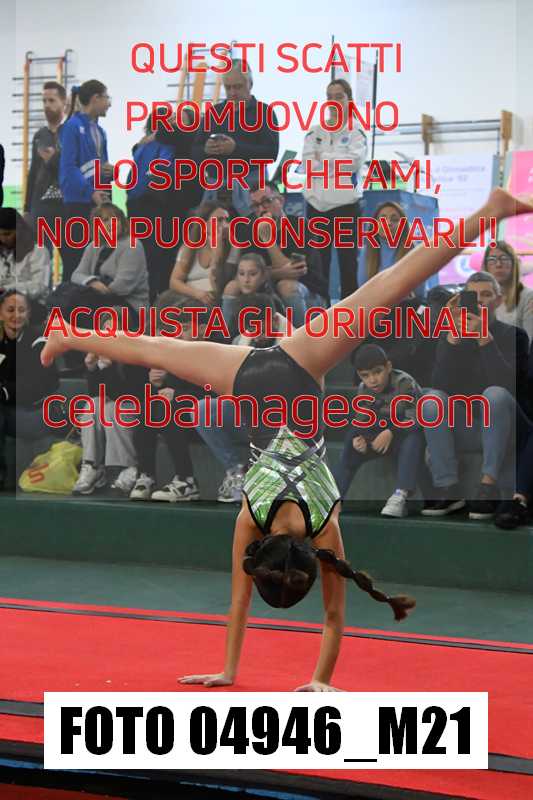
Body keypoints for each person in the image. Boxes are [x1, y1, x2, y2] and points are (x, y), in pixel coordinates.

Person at [41, 188, 533, 690]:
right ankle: (68, 334)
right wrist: (228, 671)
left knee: (390, 285)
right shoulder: (251, 519)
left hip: (301, 368)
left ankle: (487, 211)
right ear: (263, 557)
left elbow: (333, 617)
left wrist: (319, 680)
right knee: (155, 350)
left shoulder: (324, 528)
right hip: (249, 377)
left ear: (310, 562)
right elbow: (238, 603)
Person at [421, 271, 530, 520]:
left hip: (506, 427)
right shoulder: (452, 338)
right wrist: (453, 338)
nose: (479, 300)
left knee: (494, 394)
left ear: (499, 300)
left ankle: (487, 487)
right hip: (469, 427)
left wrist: (484, 338)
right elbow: (440, 384)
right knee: (431, 398)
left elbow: (509, 388)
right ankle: (448, 488)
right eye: (473, 295)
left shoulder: (515, 335)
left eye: (486, 294)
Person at [333, 345, 425, 518]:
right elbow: (362, 421)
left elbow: (415, 418)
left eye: (377, 372)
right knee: (352, 438)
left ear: (388, 367)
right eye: (365, 375)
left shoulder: (404, 382)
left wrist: (391, 431)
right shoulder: (363, 388)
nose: (372, 380)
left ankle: (400, 495)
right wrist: (361, 439)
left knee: (413, 438)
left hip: (403, 433)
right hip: (379, 435)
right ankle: (335, 499)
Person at [302, 79, 367, 299]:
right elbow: (308, 165)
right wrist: (336, 162)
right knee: (319, 265)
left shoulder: (357, 131)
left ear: (349, 100)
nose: (334, 101)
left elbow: (353, 163)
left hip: (345, 206)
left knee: (348, 265)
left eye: (339, 96)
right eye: (329, 97)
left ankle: (351, 315)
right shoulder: (314, 131)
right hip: (317, 206)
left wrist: (324, 158)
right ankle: (322, 312)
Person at [191, 59, 279, 215]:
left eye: (238, 87)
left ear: (250, 84)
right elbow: (195, 152)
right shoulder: (213, 113)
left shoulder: (264, 112)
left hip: (252, 193)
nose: (232, 92)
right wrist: (206, 150)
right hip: (216, 191)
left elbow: (271, 153)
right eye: (228, 87)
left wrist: (236, 148)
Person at [245, 183, 329, 326]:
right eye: (255, 205)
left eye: (266, 201)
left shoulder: (300, 226)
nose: (261, 209)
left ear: (281, 200)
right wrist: (272, 273)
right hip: (269, 294)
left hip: (310, 295)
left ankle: (299, 338)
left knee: (286, 286)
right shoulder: (249, 228)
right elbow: (246, 273)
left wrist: (268, 240)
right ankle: (230, 338)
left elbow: (294, 273)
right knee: (234, 287)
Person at [0, 290, 60, 489]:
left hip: (35, 413)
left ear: (29, 313)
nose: (16, 315)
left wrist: (5, 391)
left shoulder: (39, 341)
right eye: (10, 310)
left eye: (21, 310)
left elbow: (37, 385)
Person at [59, 80, 113, 279]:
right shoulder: (72, 126)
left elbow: (99, 166)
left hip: (97, 202)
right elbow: (68, 167)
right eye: (106, 98)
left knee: (97, 260)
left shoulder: (100, 131)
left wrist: (110, 173)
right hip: (78, 203)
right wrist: (90, 192)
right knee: (76, 261)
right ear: (95, 99)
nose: (109, 103)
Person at [70, 203, 149, 314]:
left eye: (115, 219)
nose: (111, 223)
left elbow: (122, 287)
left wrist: (92, 288)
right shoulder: (93, 246)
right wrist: (92, 282)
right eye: (105, 220)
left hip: (129, 306)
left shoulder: (132, 245)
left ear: (122, 222)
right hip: (97, 300)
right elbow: (76, 275)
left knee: (84, 311)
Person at [24, 81, 67, 252]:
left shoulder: (71, 132)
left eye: (52, 100)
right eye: (44, 101)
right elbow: (33, 172)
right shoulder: (39, 136)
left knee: (70, 256)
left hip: (66, 203)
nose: (47, 105)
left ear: (63, 102)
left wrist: (54, 159)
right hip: (41, 204)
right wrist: (27, 208)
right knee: (40, 257)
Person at [169, 202, 231, 305]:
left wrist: (216, 256)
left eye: (227, 220)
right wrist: (196, 294)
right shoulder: (189, 248)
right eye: (219, 220)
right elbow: (174, 282)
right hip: (189, 298)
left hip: (212, 300)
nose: (225, 225)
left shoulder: (233, 248)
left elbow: (218, 287)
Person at [482, 241, 533, 342]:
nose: (498, 264)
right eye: (492, 259)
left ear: (513, 264)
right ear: (486, 266)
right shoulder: (479, 297)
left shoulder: (527, 296)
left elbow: (529, 342)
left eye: (504, 259)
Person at [358, 201, 413, 290]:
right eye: (382, 219)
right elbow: (362, 289)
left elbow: (419, 293)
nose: (388, 223)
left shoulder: (412, 250)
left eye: (395, 219)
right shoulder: (366, 251)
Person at [0, 208, 51, 302]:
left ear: (20, 231)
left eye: (7, 234)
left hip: (30, 304)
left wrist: (8, 289)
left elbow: (41, 286)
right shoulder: (3, 249)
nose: (2, 239)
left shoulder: (39, 251)